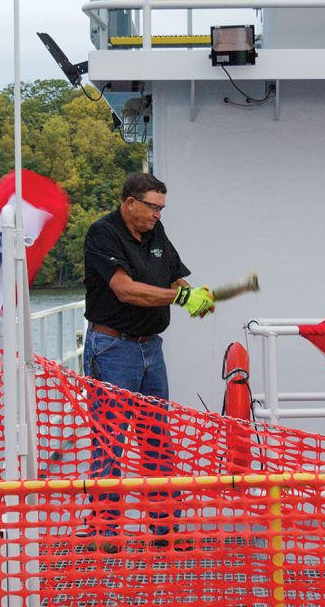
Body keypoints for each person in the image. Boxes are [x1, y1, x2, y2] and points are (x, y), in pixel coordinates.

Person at [79, 172, 213, 552]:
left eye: (161, 208)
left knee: (157, 439)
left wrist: (193, 295)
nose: (157, 215)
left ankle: (164, 527)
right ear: (129, 203)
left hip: (151, 349)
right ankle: (104, 530)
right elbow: (124, 289)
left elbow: (176, 280)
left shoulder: (157, 233)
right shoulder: (103, 233)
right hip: (112, 347)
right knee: (110, 440)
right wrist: (180, 299)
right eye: (152, 207)